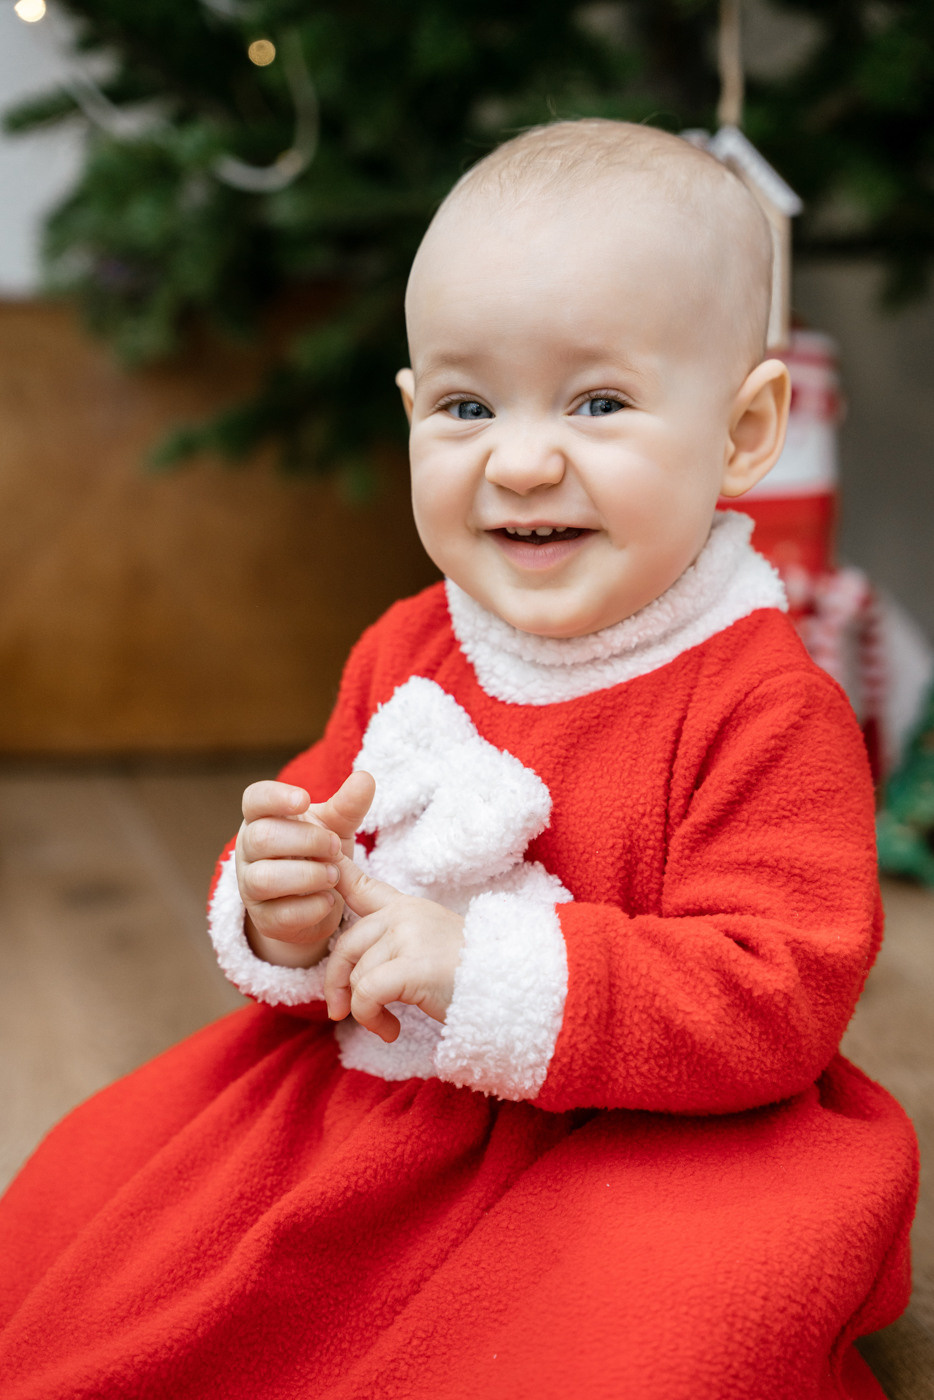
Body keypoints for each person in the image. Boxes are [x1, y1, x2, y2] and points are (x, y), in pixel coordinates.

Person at [0, 120, 917, 1400]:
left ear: (744, 430)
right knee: (114, 1217)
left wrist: (481, 968)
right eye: (467, 405)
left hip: (655, 1122)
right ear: (412, 410)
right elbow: (325, 815)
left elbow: (776, 993)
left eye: (597, 402)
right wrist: (285, 901)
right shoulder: (414, 641)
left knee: (659, 1324)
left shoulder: (764, 701)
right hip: (404, 1084)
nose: (521, 458)